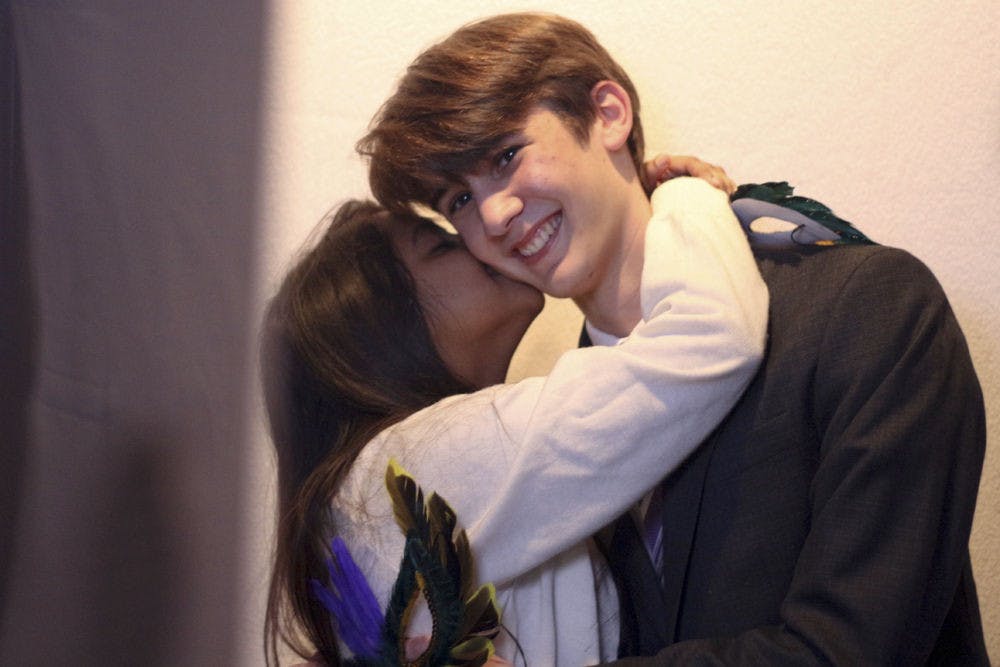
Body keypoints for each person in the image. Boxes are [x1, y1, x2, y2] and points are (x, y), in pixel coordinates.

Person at [358, 11, 988, 664]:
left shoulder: (867, 310)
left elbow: (850, 650)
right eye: (457, 199)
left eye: (506, 155)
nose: (493, 213)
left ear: (608, 114)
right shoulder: (544, 430)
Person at [262, 174, 768, 664]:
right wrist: (685, 194)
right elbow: (712, 336)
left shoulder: (372, 483)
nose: (481, 241)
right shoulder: (424, 457)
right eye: (441, 244)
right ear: (383, 333)